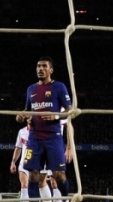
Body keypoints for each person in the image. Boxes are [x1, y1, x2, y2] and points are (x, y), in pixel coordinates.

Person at [16, 57, 73, 200]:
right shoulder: (31, 89)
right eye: (38, 66)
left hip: (53, 137)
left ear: (51, 70)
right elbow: (28, 110)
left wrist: (56, 116)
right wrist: (22, 115)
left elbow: (70, 110)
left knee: (58, 175)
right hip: (34, 138)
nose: (40, 69)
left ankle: (66, 199)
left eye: (44, 66)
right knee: (33, 175)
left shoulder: (59, 87)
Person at [10, 119, 31, 199]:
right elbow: (18, 148)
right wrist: (13, 162)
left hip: (37, 162)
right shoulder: (22, 132)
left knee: (40, 186)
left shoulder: (39, 131)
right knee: (24, 185)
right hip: (24, 162)